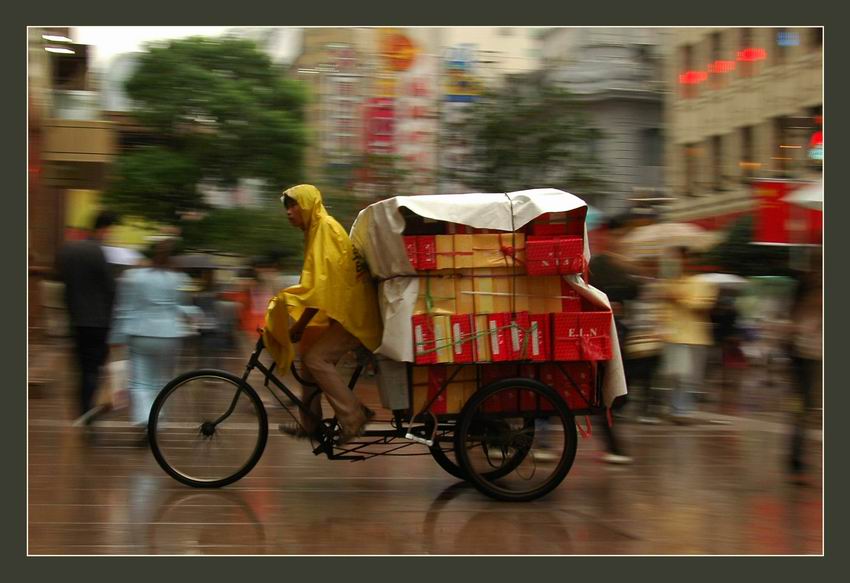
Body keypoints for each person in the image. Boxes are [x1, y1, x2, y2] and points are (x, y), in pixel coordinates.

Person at [276, 184, 383, 444]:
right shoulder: (316, 230)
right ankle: (311, 425)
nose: (289, 212)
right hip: (345, 311)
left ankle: (354, 416)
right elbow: (321, 284)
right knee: (308, 363)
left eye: (294, 205)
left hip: (356, 315)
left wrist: (299, 321)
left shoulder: (324, 228)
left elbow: (319, 287)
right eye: (286, 207)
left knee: (316, 360)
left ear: (308, 204)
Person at [110, 238, 201, 431]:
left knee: (140, 381)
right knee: (163, 381)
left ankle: (145, 418)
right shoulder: (179, 278)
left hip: (140, 332)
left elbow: (124, 309)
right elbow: (184, 306)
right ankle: (157, 417)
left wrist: (116, 337)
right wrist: (196, 318)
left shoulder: (133, 276)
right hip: (170, 334)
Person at [56, 211, 119, 426]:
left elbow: (62, 285)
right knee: (93, 369)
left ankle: (82, 408)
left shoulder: (67, 251)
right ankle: (87, 413)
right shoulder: (98, 252)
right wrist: (111, 321)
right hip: (98, 322)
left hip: (76, 320)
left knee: (81, 368)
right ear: (104, 229)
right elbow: (110, 290)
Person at [588, 215, 641, 464]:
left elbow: (634, 292)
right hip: (606, 330)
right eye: (618, 235)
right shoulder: (599, 263)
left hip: (621, 331)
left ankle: (613, 443)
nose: (621, 240)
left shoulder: (623, 264)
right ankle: (613, 445)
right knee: (609, 387)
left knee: (618, 389)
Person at [660, 246, 717, 424]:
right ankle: (676, 409)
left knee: (688, 377)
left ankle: (683, 410)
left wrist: (679, 299)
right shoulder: (668, 283)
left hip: (693, 337)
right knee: (675, 375)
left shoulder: (702, 283)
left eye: (681, 259)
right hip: (671, 336)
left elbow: (702, 307)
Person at [786, 262, 822, 481]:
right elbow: (798, 325)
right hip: (806, 357)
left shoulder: (809, 284)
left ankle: (797, 460)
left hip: (810, 355)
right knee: (803, 409)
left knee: (804, 409)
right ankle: (797, 461)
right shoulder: (810, 287)